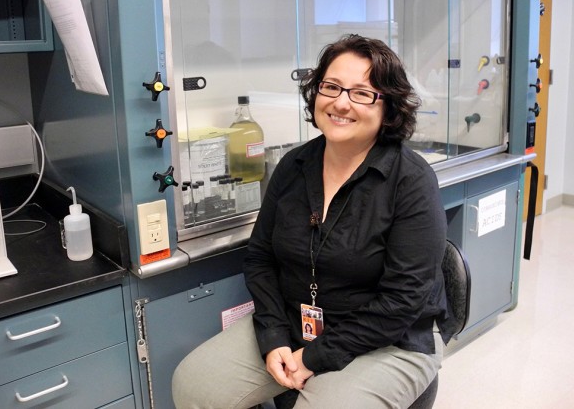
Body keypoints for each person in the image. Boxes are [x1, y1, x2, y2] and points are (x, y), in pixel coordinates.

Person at [172, 34, 451, 408]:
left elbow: (402, 301)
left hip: (391, 340)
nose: (340, 102)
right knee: (192, 385)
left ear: (389, 107)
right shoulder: (294, 166)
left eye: (362, 93)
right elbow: (261, 258)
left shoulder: (411, 181)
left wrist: (312, 358)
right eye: (331, 87)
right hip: (295, 323)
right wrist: (273, 337)